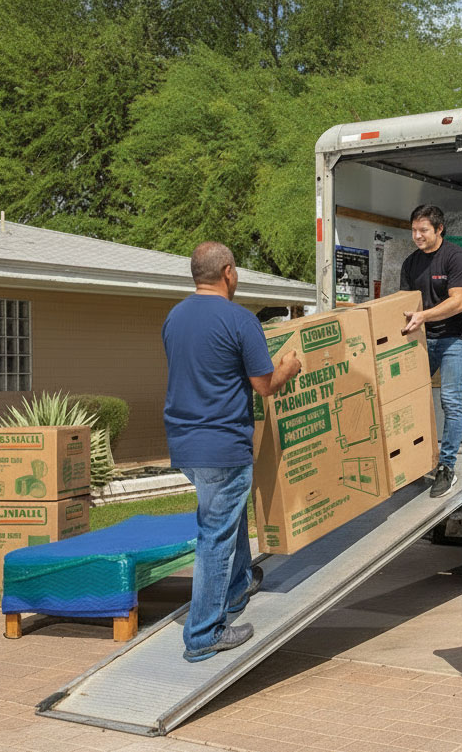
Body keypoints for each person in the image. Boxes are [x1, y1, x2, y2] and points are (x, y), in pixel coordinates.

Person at [162, 241, 301, 662]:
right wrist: (290, 367)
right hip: (223, 443)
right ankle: (204, 633)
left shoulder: (174, 317)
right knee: (215, 537)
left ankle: (238, 586)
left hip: (186, 443)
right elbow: (265, 385)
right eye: (236, 271)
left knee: (228, 514)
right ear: (227, 272)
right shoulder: (239, 320)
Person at [401, 204, 462, 498]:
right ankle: (417, 461)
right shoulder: (410, 264)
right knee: (407, 396)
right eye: (414, 231)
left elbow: (458, 302)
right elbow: (404, 304)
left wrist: (423, 316)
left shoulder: (457, 258)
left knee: (449, 399)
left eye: (423, 231)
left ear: (439, 229)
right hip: (422, 337)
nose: (417, 236)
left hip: (455, 337)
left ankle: (447, 467)